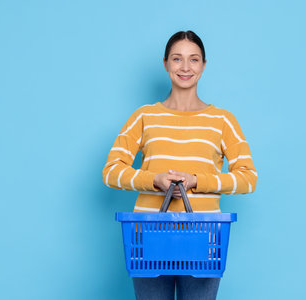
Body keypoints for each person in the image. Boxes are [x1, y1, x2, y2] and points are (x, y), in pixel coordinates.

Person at [103, 30, 257, 300]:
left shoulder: (222, 120)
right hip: (148, 240)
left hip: (204, 240)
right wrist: (154, 180)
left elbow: (248, 178)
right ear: (166, 64)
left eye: (193, 59)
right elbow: (111, 171)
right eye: (177, 59)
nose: (185, 67)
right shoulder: (144, 116)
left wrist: (197, 181)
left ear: (204, 65)